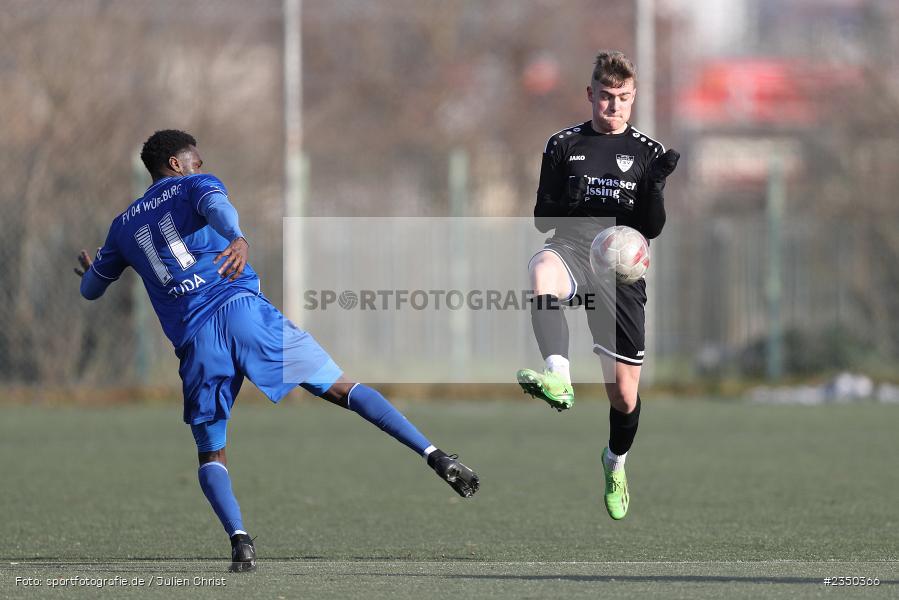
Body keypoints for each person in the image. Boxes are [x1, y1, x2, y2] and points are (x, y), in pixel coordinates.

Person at [75, 130, 479, 572]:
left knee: (211, 453)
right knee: (342, 388)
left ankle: (240, 539)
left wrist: (94, 270)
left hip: (197, 342)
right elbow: (218, 207)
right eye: (195, 160)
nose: (200, 166)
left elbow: (91, 289)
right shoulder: (194, 185)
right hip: (244, 314)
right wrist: (237, 236)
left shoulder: (122, 226)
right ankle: (434, 454)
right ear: (175, 163)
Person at [516, 51, 679, 521]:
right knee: (541, 270)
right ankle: (558, 377)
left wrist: (654, 189)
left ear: (634, 97)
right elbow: (541, 219)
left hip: (620, 271)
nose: (614, 106)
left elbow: (652, 229)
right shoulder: (562, 144)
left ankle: (615, 462)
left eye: (623, 98)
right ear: (591, 94)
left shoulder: (647, 152)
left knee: (623, 396)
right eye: (606, 96)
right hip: (572, 248)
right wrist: (568, 202)